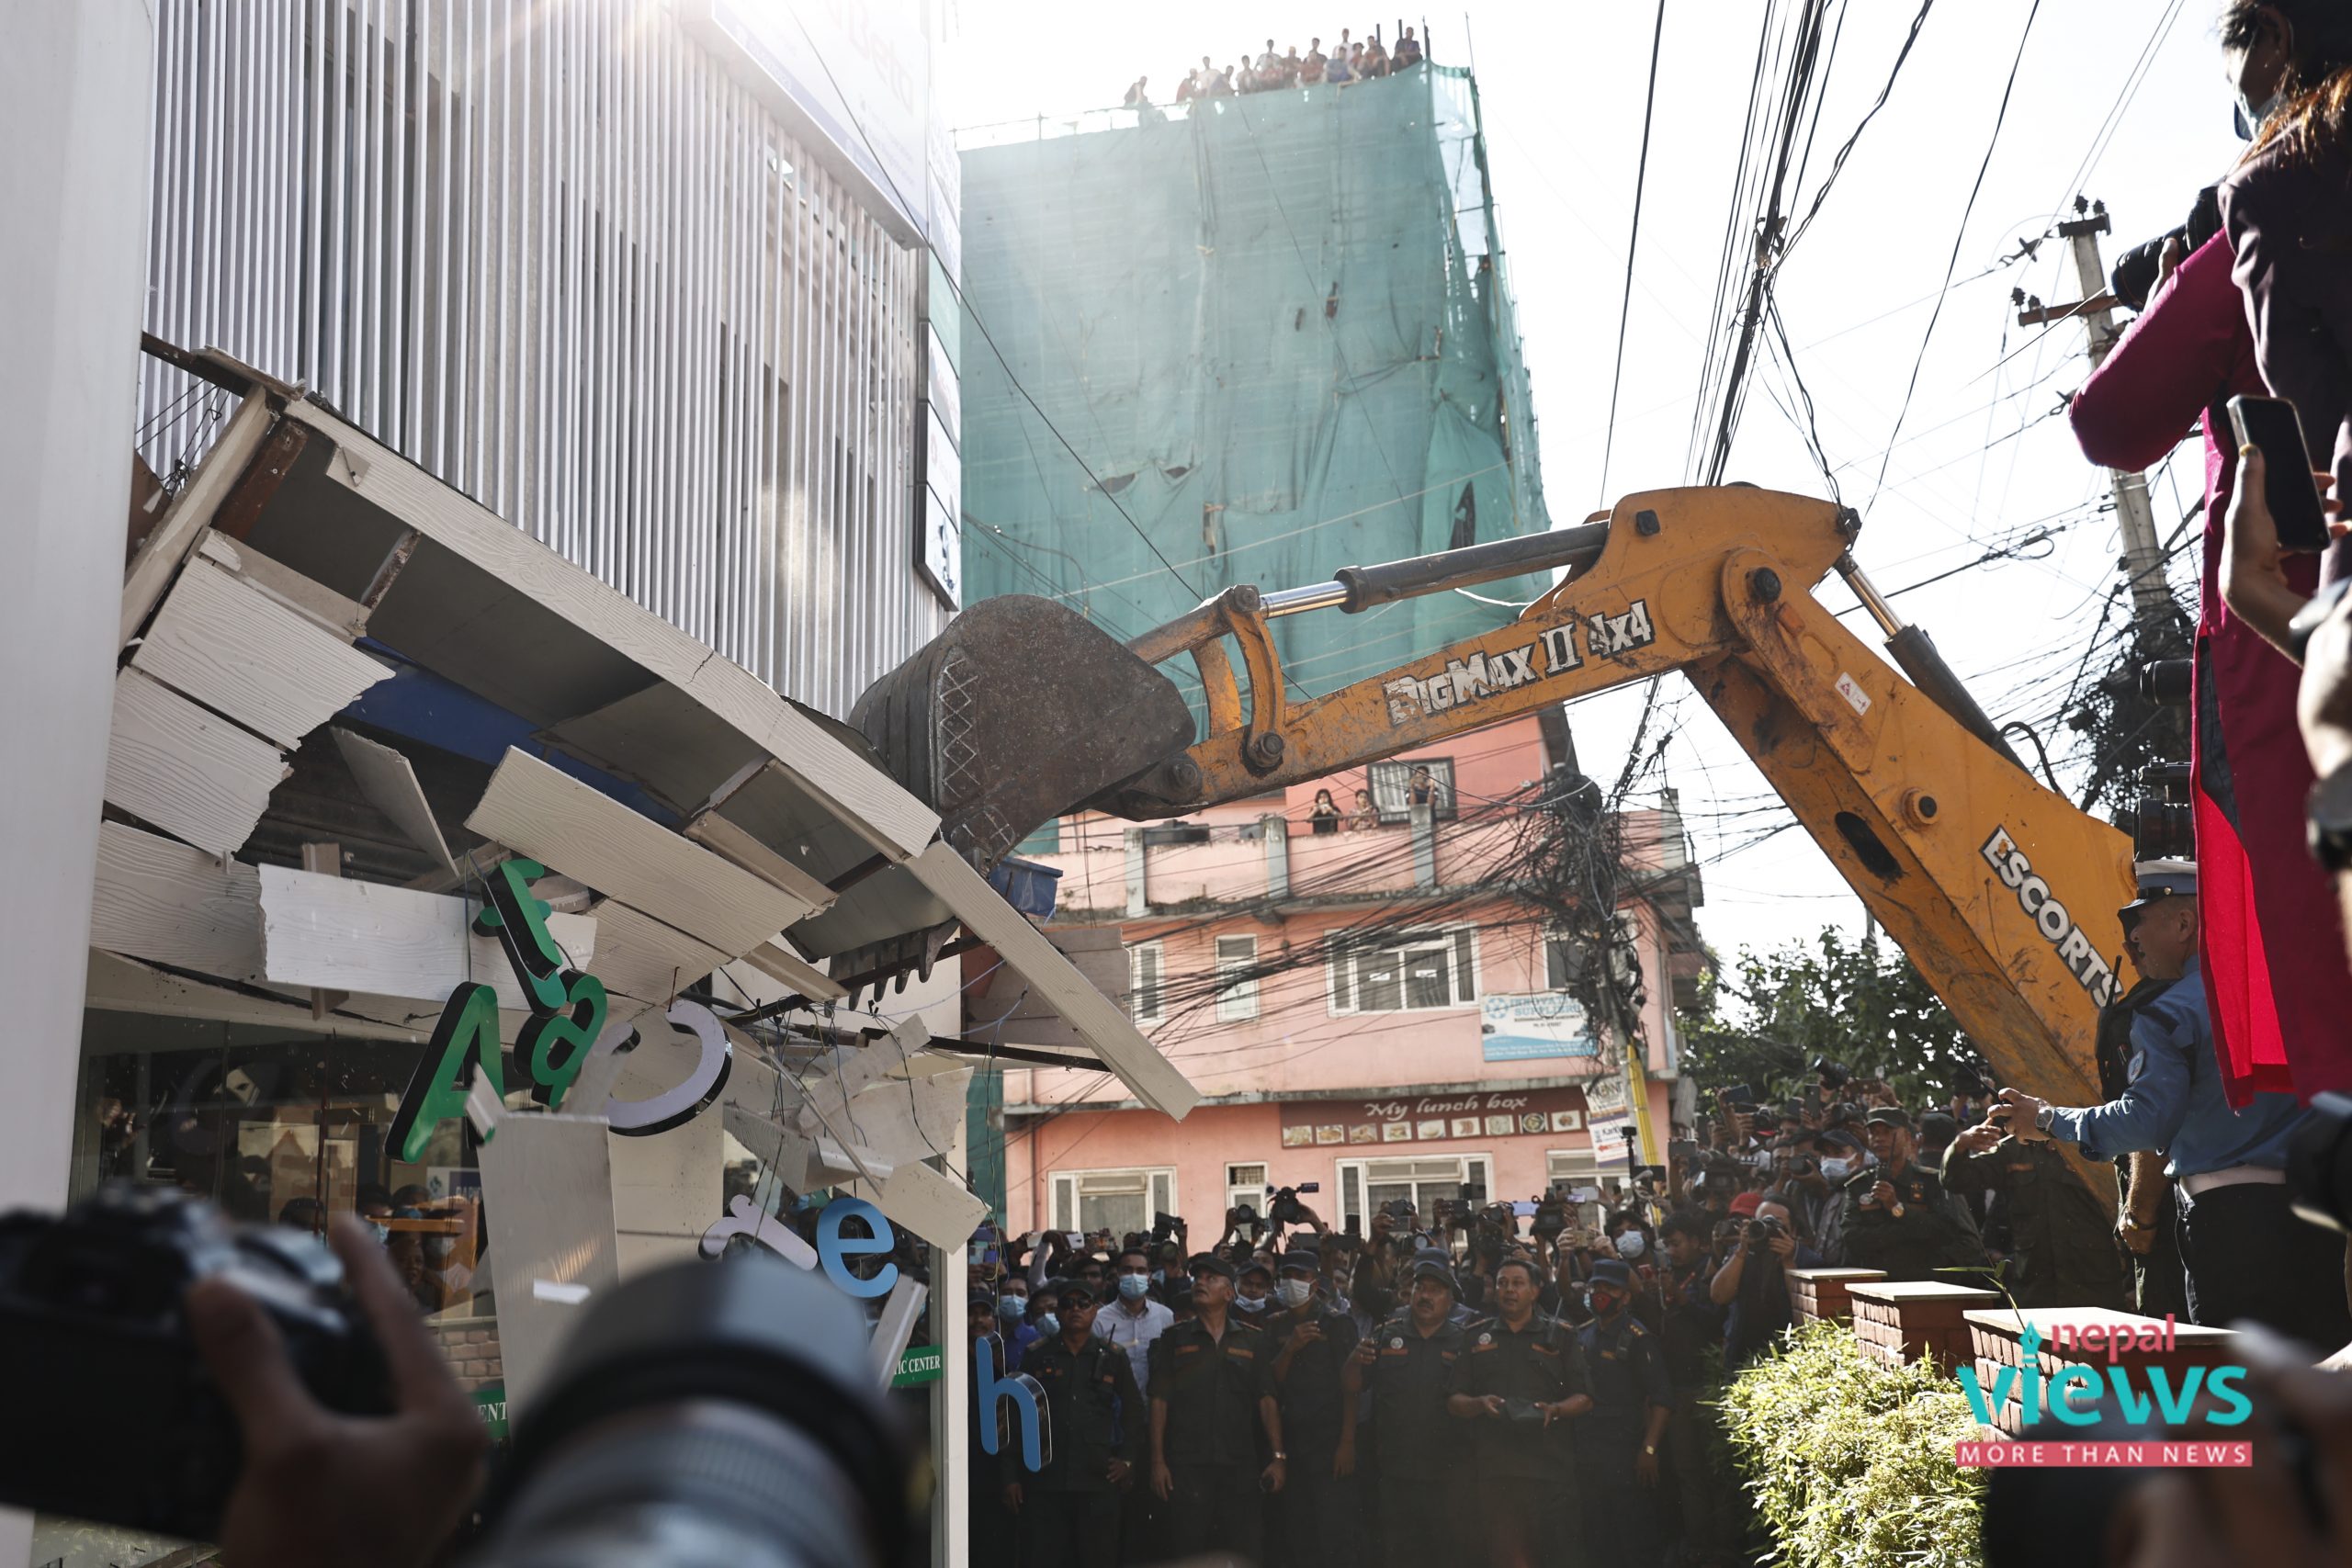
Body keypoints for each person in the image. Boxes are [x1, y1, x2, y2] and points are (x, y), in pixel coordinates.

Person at [1996, 863, 2352, 1348]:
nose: (2132, 938)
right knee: (2323, 1382)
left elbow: (2147, 1120)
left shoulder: (2171, 1010)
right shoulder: (2298, 995)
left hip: (2231, 1223)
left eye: (2139, 919)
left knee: (2233, 1388)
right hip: (2320, 1215)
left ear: (2185, 925)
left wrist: (2047, 1119)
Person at [184, 1214, 488, 1568]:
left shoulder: (424, 1309)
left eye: (418, 1261)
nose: (414, 1268)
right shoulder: (339, 1324)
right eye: (405, 1260)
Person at [1445, 1255, 1592, 1568]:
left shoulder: (1562, 1334)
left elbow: (1585, 1397)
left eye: (1517, 1283)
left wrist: (1557, 1409)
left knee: (1560, 1557)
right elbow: (1454, 1400)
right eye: (1502, 1283)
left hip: (1551, 1470)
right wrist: (1478, 1404)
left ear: (1535, 1291)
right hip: (1498, 1473)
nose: (1508, 1290)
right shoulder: (1475, 1336)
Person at [1148, 1253, 1284, 1561]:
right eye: (1197, 1278)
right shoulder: (1174, 1338)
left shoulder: (1253, 1340)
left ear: (1228, 1293)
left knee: (1245, 1546)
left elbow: (1267, 1398)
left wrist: (1278, 1457)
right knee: (1188, 1547)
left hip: (1239, 1464)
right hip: (1187, 1465)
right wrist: (1157, 1462)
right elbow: (1159, 1399)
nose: (1200, 1283)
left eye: (1211, 1278)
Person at [1008, 1281, 1145, 1568]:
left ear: (1095, 1310)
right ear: (1057, 1312)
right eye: (1067, 1304)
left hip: (1096, 1479)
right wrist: (1011, 1476)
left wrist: (1128, 1460)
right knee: (1046, 1558)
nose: (1075, 1310)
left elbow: (1134, 1411)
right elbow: (1017, 1415)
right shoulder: (1037, 1355)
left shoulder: (1112, 1356)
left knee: (1097, 1557)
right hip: (1046, 1479)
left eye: (1083, 1303)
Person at [1941, 1111, 2132, 1311]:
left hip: (2095, 1287)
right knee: (2032, 1343)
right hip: (2035, 1290)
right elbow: (1954, 1180)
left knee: (2097, 1342)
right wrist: (1960, 1144)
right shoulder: (2013, 1150)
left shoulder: (2098, 1145)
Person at [1347, 1256, 1469, 1568]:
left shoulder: (1464, 1340)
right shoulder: (1386, 1334)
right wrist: (1354, 1359)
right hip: (1396, 1472)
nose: (1425, 1296)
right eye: (1420, 1288)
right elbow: (1350, 1385)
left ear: (1450, 1300)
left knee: (1449, 1552)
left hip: (1448, 1473)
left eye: (1435, 1290)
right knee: (1400, 1553)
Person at [1265, 1248, 1360, 1568]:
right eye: (1286, 1276)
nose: (1291, 1282)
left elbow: (1351, 1387)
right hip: (1291, 1440)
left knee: (1334, 1531)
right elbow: (1270, 1385)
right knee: (1298, 1531)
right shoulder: (1275, 1325)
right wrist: (1290, 1347)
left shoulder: (1336, 1322)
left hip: (1329, 1439)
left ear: (1315, 1282)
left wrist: (1347, 1442)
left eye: (1300, 1276)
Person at [1576, 1258, 1671, 1568]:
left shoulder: (1637, 1337)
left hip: (1625, 1450)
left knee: (1633, 1536)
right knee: (1598, 1536)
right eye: (1596, 1287)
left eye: (1609, 1288)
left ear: (1625, 1296)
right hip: (1588, 1448)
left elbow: (1661, 1399)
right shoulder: (1585, 1333)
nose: (1600, 1294)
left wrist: (1649, 1448)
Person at [1837, 1107, 1984, 1281]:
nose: (1879, 1138)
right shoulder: (1859, 1185)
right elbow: (1851, 1238)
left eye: (1888, 1132)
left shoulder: (1931, 1181)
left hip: (1922, 1282)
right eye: (1874, 1133)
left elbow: (1945, 1231)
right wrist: (1907, 1232)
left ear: (1907, 1136)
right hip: (1877, 1283)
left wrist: (1898, 1209)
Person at [1711, 1195, 1818, 1368]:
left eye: (1776, 1223)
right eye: (1762, 1222)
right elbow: (1719, 1296)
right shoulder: (1741, 1254)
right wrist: (1741, 1251)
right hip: (1742, 1356)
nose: (1767, 1229)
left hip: (1789, 1357)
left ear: (1794, 1230)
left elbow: (1807, 1310)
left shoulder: (1807, 1259)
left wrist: (1788, 1263)